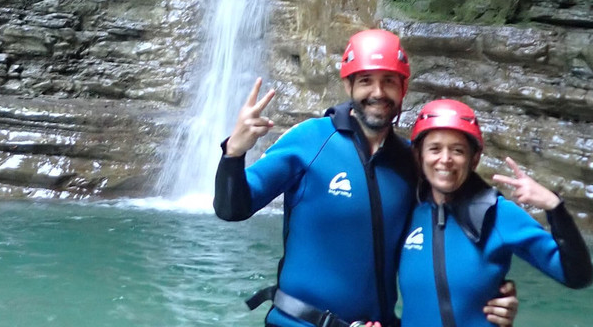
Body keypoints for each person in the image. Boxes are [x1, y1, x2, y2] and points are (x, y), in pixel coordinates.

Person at [213, 29, 519, 327]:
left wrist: (492, 296)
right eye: (365, 81)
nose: (377, 92)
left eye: (389, 81)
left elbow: (464, 227)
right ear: (348, 86)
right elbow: (232, 208)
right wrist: (234, 153)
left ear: (403, 88)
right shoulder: (310, 140)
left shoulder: (413, 162)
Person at [398, 99, 593, 327]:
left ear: (474, 159)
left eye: (458, 150)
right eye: (435, 148)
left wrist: (555, 207)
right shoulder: (406, 209)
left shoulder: (498, 214)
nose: (445, 159)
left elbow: (577, 276)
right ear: (418, 155)